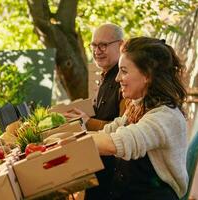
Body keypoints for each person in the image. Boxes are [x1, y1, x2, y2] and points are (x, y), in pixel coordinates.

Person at [91, 36, 188, 199]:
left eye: (124, 71)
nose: (117, 78)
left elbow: (115, 143)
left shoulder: (166, 117)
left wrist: (63, 145)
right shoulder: (138, 106)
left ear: (147, 75)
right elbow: (107, 133)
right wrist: (66, 138)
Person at [63, 23, 126, 200]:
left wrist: (87, 122)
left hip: (114, 177)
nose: (97, 51)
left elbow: (124, 129)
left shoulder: (125, 83)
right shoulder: (104, 76)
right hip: (97, 165)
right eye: (94, 45)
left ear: (121, 45)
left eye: (103, 45)